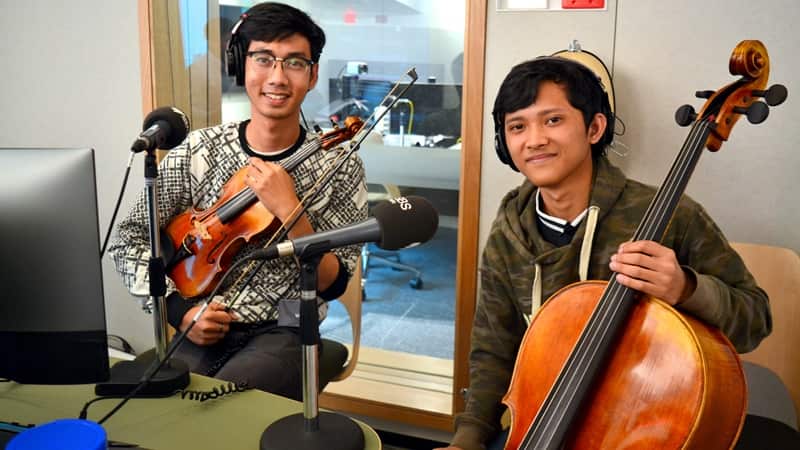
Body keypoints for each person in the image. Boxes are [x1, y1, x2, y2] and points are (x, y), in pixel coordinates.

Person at [439, 56, 773, 450]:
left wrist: (686, 288)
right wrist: (467, 439)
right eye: (517, 126)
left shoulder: (670, 216)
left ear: (594, 127)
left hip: (636, 424)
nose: (534, 140)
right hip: (540, 419)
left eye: (552, 120)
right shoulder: (509, 232)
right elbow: (493, 347)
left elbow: (756, 318)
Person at [109, 2, 367, 401]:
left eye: (294, 62)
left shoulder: (340, 165)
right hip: (202, 320)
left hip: (288, 328)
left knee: (220, 405)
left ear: (313, 75)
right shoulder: (199, 150)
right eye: (263, 59)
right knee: (157, 404)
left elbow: (335, 282)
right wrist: (180, 312)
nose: (277, 77)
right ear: (240, 66)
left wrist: (291, 210)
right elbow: (128, 240)